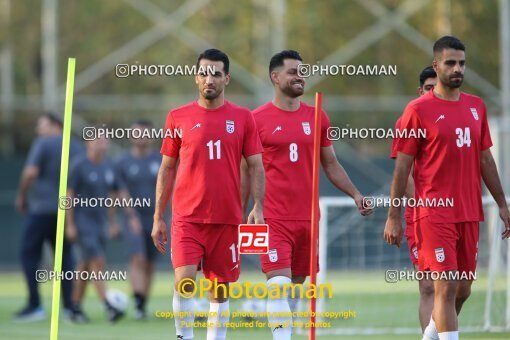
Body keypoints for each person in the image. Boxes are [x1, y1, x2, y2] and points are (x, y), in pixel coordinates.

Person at [384, 36, 510, 340]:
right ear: (436, 65)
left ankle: (430, 335)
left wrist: (503, 205)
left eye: (462, 63)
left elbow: (486, 160)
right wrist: (393, 215)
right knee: (444, 286)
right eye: (450, 63)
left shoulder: (476, 107)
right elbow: (402, 168)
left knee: (463, 289)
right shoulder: (417, 111)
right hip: (433, 213)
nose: (457, 69)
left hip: (469, 212)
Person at [248, 50, 372, 339]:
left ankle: (286, 333)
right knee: (277, 283)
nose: (299, 76)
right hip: (272, 216)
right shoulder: (255, 119)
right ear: (275, 77)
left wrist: (355, 194)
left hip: (307, 219)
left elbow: (330, 163)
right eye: (292, 71)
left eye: (302, 71)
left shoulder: (317, 116)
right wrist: (248, 209)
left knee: (294, 287)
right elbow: (247, 171)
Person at [151, 48, 265, 340]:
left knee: (220, 290)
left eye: (216, 73)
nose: (209, 78)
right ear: (195, 78)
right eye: (203, 72)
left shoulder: (243, 118)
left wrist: (258, 208)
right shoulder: (178, 117)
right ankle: (184, 336)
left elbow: (256, 166)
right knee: (184, 281)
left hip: (227, 218)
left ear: (226, 78)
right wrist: (157, 217)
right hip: (187, 217)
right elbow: (166, 169)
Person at [14, 113, 84, 322]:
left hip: (42, 209)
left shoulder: (43, 143)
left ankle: (35, 305)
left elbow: (30, 173)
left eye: (41, 125)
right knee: (65, 259)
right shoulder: (78, 147)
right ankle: (69, 307)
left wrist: (22, 195)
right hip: (67, 211)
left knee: (28, 254)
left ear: (55, 125)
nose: (38, 129)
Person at [389, 66, 437, 331]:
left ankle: (442, 332)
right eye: (429, 87)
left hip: (455, 213)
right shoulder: (409, 120)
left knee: (457, 286)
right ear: (420, 91)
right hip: (421, 214)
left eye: (437, 87)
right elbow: (402, 173)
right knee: (429, 285)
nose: (434, 92)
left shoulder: (457, 118)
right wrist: (426, 204)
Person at [66, 135, 124, 323]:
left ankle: (74, 308)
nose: (102, 143)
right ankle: (108, 305)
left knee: (85, 266)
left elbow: (113, 194)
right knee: (97, 261)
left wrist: (113, 222)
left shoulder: (109, 165)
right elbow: (69, 196)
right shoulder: (79, 165)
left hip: (100, 223)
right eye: (97, 139)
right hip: (83, 222)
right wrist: (70, 224)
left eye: (105, 140)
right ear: (88, 143)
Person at [115, 120, 162, 320]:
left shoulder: (159, 160)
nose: (140, 136)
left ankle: (143, 304)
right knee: (138, 258)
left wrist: (160, 217)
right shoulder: (122, 162)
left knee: (150, 262)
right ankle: (138, 302)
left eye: (144, 133)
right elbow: (120, 191)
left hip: (156, 218)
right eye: (136, 133)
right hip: (133, 217)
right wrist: (130, 215)